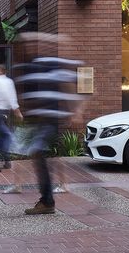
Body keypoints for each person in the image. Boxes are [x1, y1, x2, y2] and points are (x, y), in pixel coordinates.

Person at [14, 34, 82, 216]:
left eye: (33, 44)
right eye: (27, 44)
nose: (29, 47)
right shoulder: (28, 66)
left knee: (37, 152)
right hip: (37, 120)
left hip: (50, 120)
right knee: (40, 156)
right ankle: (47, 199)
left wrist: (76, 110)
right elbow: (22, 90)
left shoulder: (52, 63)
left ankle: (47, 201)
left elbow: (69, 83)